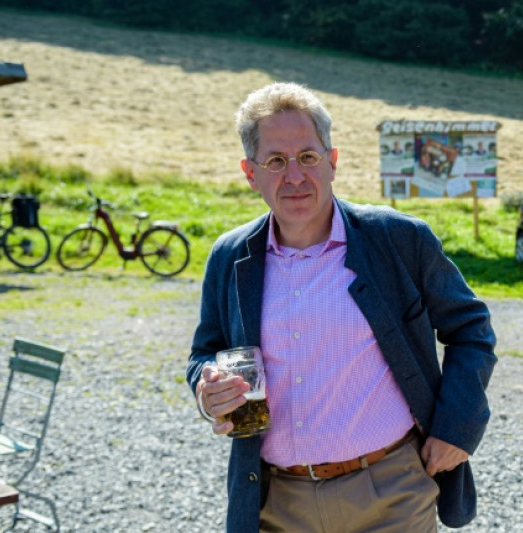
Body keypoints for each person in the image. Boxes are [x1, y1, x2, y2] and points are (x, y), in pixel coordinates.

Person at [186, 82, 497, 532]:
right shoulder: (229, 257)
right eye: (276, 161)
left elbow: (471, 330)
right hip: (277, 504)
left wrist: (457, 428)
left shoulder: (398, 238)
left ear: (332, 162)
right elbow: (205, 354)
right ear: (250, 173)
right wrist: (208, 391)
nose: (295, 176)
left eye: (307, 157)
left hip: (391, 494)